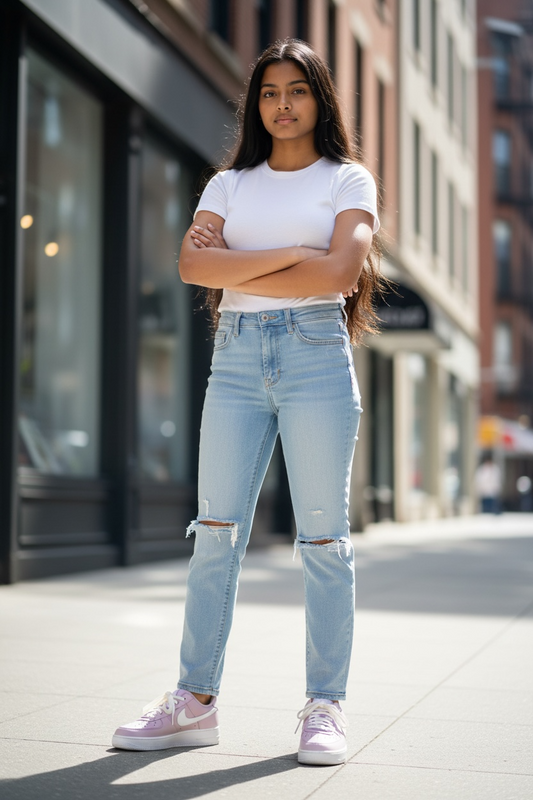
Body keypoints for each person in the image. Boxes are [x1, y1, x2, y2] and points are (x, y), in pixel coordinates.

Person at [112, 38, 382, 766]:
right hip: (233, 357)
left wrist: (252, 262)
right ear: (255, 103)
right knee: (216, 533)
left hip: (315, 355)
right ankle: (193, 702)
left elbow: (342, 272)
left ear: (319, 99)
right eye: (269, 92)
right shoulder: (228, 185)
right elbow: (194, 266)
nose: (282, 104)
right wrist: (296, 253)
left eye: (297, 90)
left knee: (323, 541)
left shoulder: (347, 179)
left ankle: (324, 706)